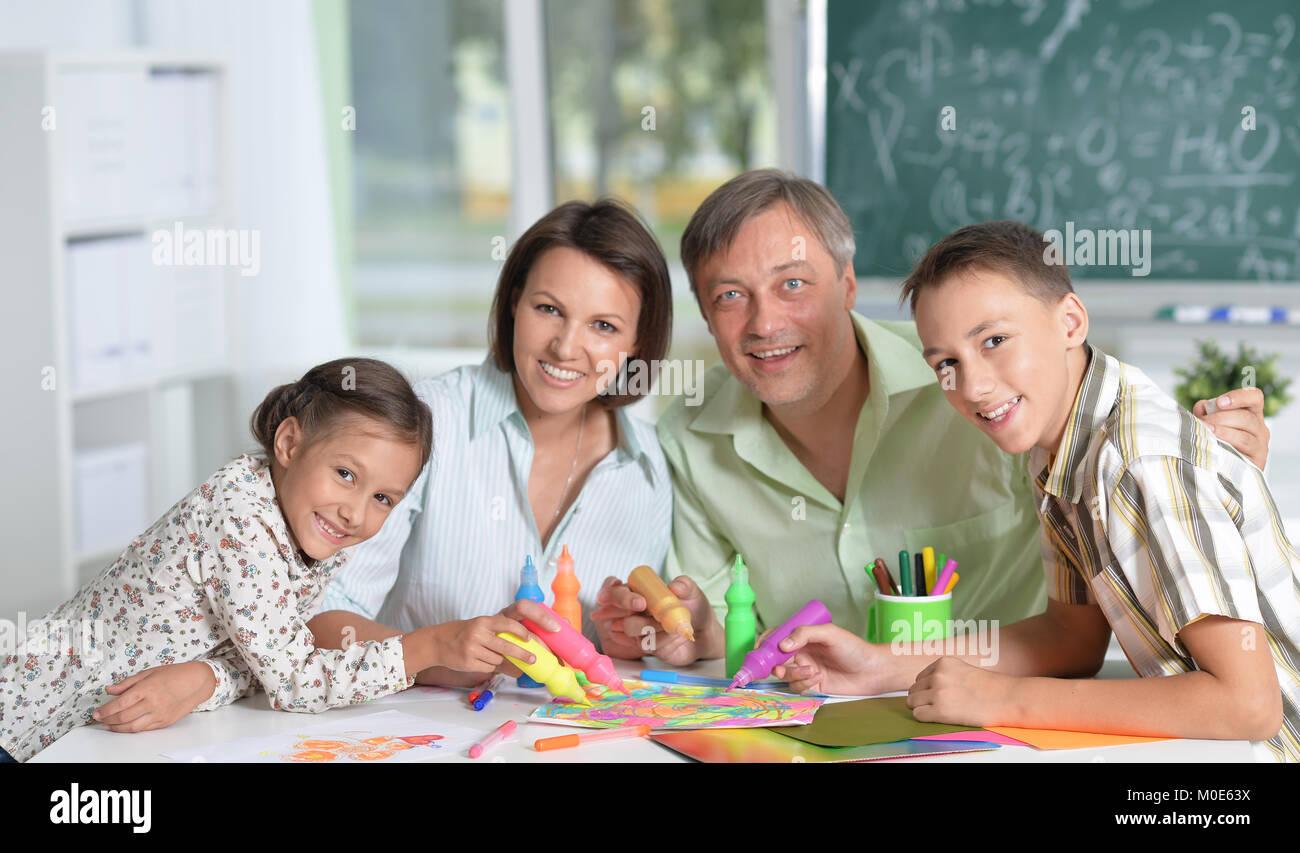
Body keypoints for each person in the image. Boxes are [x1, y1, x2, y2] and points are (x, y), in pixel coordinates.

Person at [592, 169, 1273, 667]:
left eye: (793, 284)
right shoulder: (687, 435)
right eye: (731, 295)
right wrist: (687, 629)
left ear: (848, 285)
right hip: (816, 728)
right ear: (706, 316)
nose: (766, 322)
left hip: (1010, 730)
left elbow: (1119, 469)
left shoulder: (983, 393)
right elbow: (719, 627)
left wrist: (1219, 467)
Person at [772, 220, 1297, 762]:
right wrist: (880, 664)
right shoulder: (1059, 449)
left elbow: (1248, 705)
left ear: (1070, 321)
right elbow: (1070, 638)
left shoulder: (1135, 462)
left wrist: (1006, 699)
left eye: (994, 340)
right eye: (946, 363)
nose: (972, 387)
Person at [0, 358, 538, 762]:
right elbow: (295, 680)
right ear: (288, 442)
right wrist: (431, 644)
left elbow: (270, 650)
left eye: (383, 499)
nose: (355, 512)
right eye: (346, 474)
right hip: (27, 725)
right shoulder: (240, 515)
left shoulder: (308, 525)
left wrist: (206, 677)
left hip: (92, 735)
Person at [308, 200, 674, 686]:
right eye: (548, 309)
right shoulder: (423, 426)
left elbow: (615, 652)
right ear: (513, 304)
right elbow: (321, 619)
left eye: (603, 326)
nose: (565, 348)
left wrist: (630, 638)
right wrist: (439, 654)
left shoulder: (648, 470)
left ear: (637, 345)